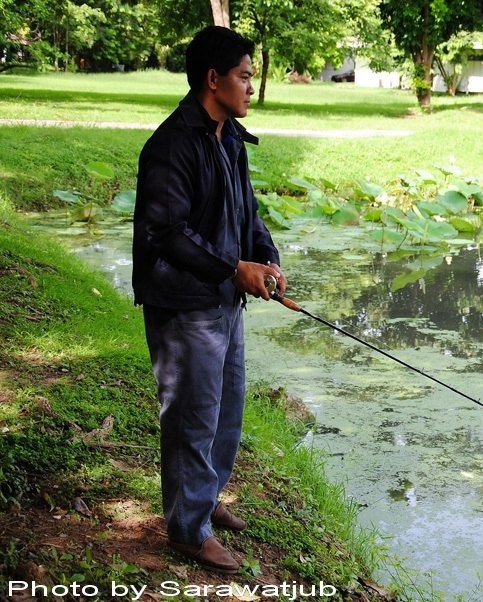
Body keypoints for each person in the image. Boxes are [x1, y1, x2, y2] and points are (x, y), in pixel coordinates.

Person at [132, 26, 286, 573]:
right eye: (244, 77)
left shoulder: (229, 138)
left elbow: (247, 213)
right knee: (192, 419)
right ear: (213, 79)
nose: (251, 87)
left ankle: (205, 497)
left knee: (226, 412)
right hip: (184, 304)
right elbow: (166, 233)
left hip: (223, 299)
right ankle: (187, 531)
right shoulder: (173, 145)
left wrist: (265, 258)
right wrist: (233, 268)